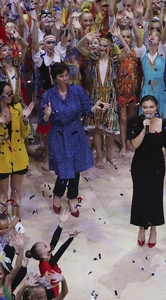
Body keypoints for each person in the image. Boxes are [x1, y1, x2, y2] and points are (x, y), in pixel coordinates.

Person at [40, 62, 109, 217]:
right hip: (58, 135)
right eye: (61, 76)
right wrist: (47, 114)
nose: (65, 78)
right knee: (64, 171)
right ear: (55, 78)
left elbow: (86, 109)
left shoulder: (77, 91)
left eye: (66, 75)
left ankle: (72, 199)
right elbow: (43, 121)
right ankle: (58, 194)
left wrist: (94, 108)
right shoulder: (48, 95)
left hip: (75, 133)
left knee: (76, 169)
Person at [128, 95, 166, 247]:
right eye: (145, 107)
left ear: (156, 108)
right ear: (141, 108)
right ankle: (141, 227)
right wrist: (144, 128)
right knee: (140, 197)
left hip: (156, 166)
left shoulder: (165, 124)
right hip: (139, 166)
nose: (148, 110)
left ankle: (153, 228)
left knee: (155, 197)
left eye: (151, 107)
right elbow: (135, 145)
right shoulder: (135, 122)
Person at [0, 81, 34, 212]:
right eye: (7, 93)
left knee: (16, 189)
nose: (11, 95)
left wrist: (25, 120)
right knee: (3, 191)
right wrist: (2, 125)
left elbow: (25, 133)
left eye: (10, 92)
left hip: (18, 155)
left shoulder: (17, 107)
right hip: (1, 157)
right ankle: (3, 220)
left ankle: (16, 219)